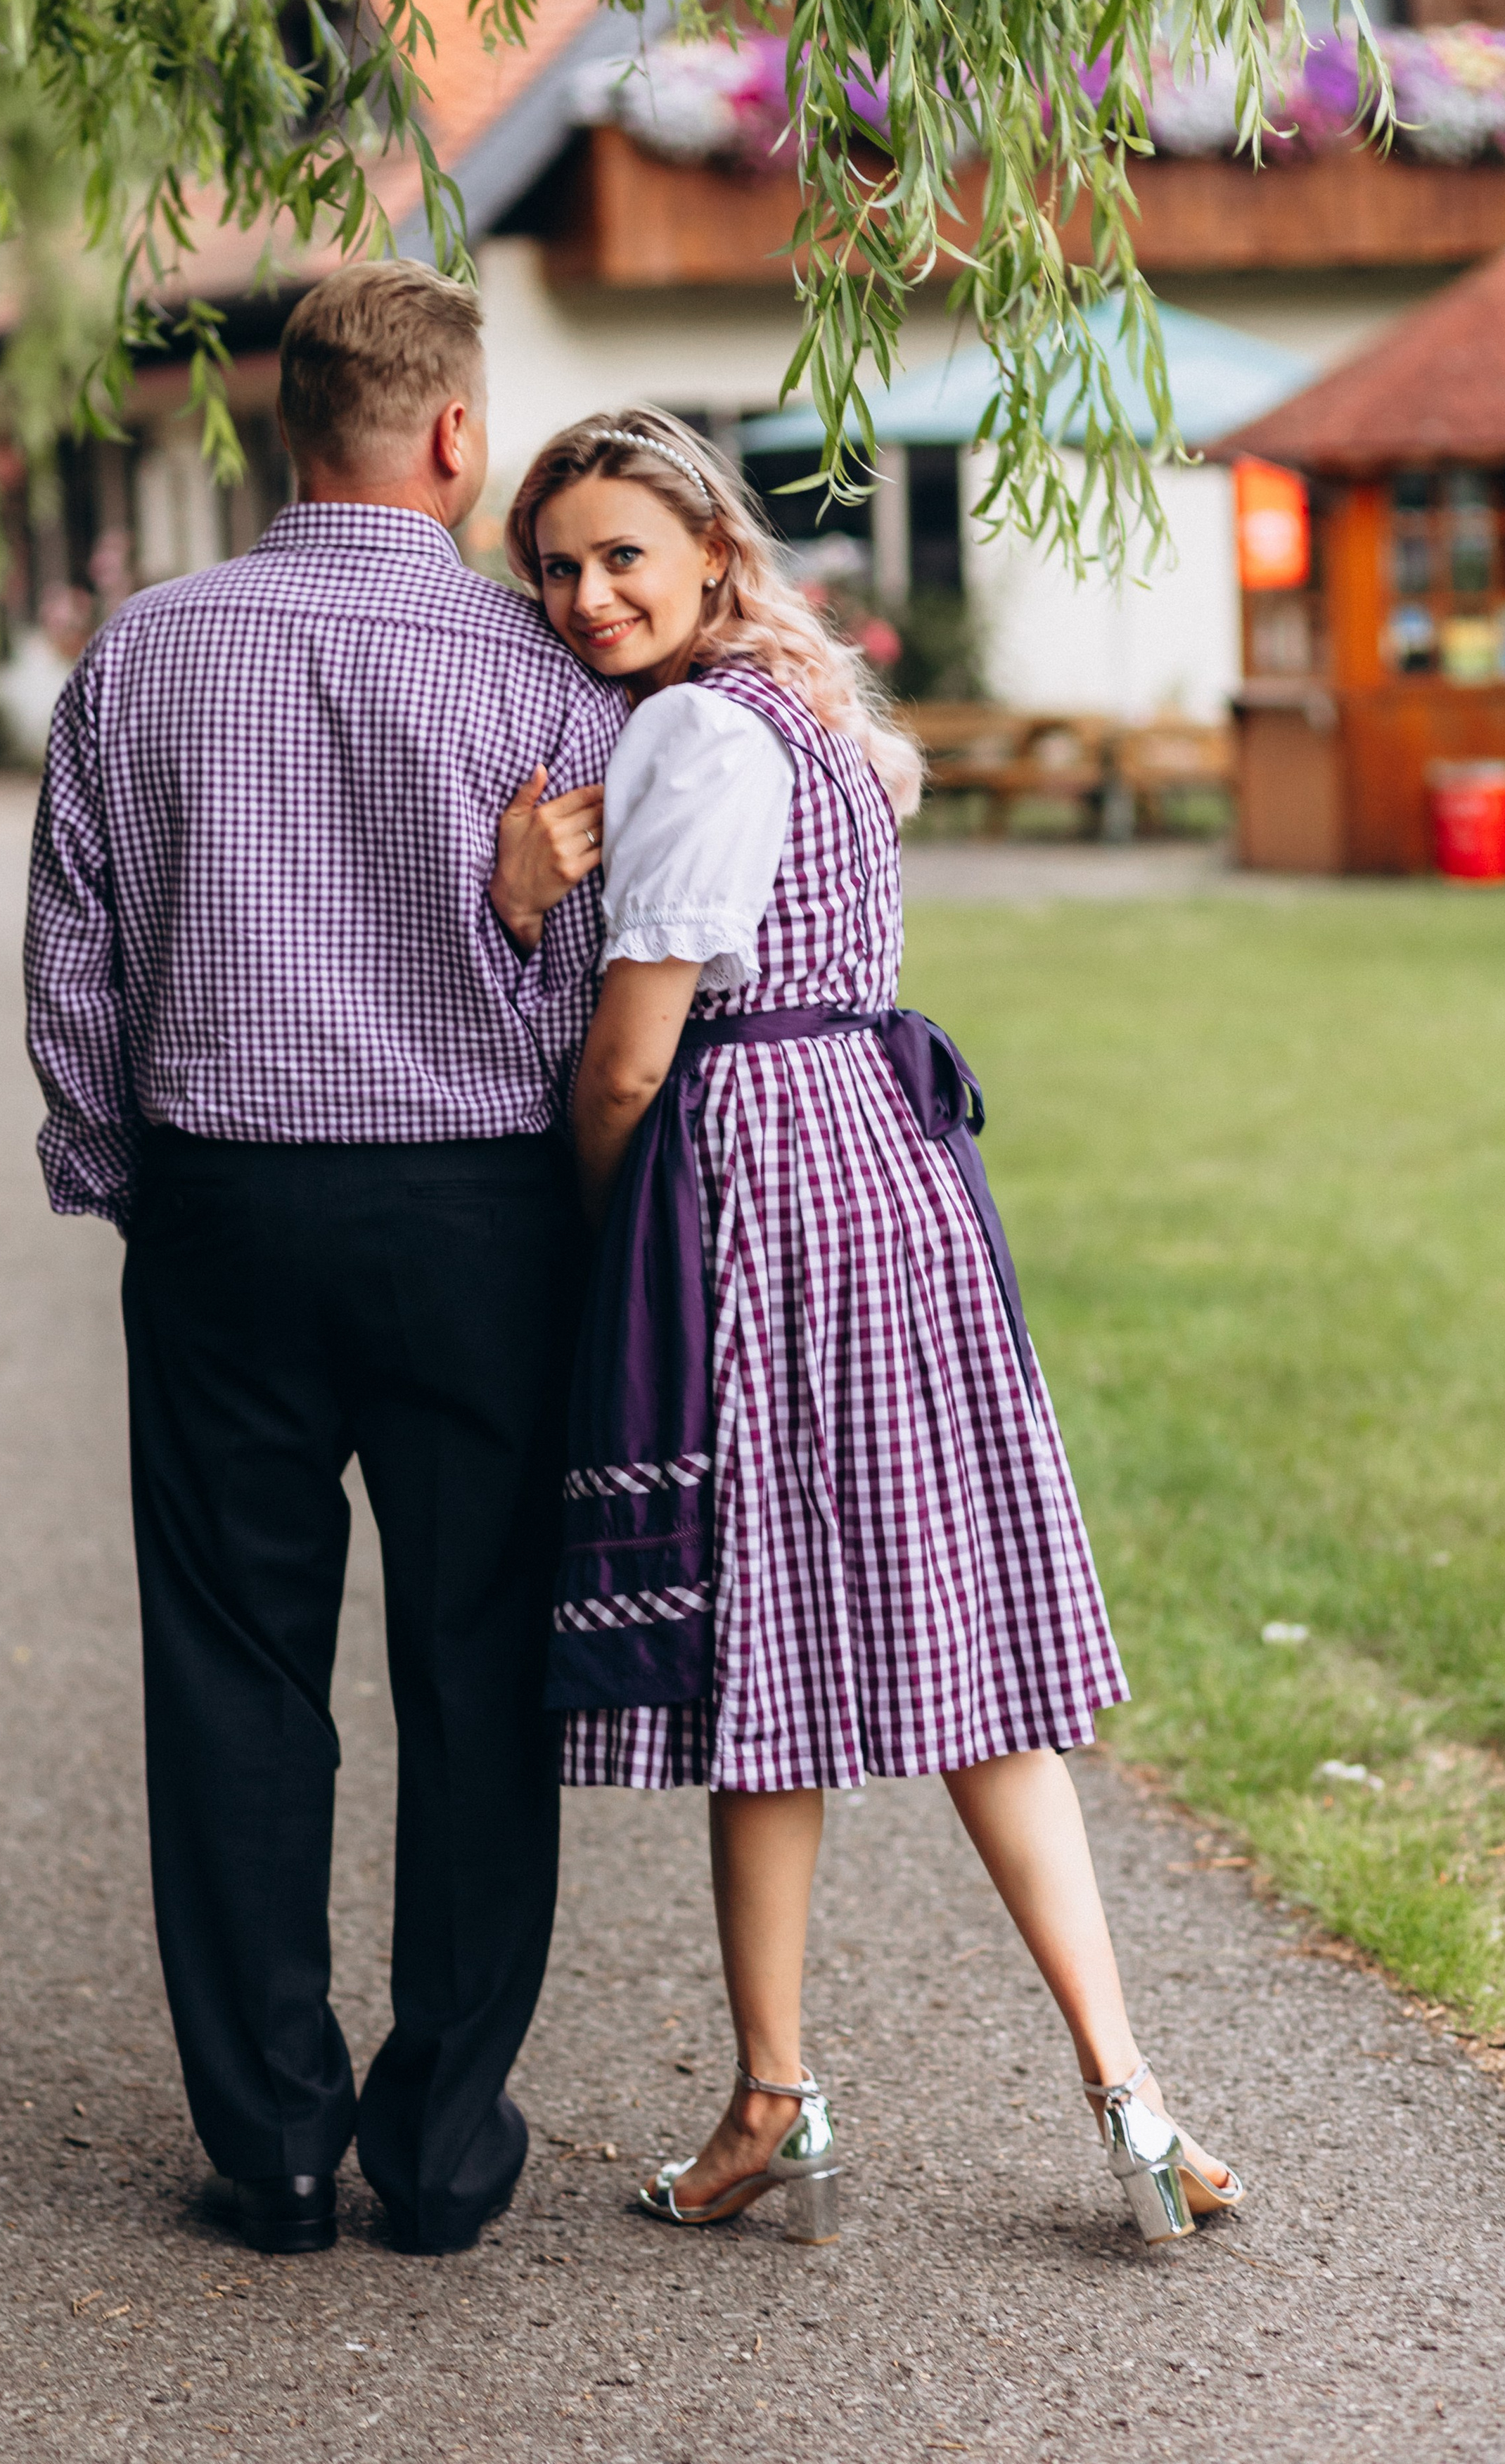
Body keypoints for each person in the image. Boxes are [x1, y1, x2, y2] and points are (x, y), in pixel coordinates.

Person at [500, 407, 1243, 2247]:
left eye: (622, 558)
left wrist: (592, 1212)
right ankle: (1126, 2097)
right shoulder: (817, 712)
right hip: (887, 1171)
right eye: (558, 567)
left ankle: (781, 2092)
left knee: (767, 1632)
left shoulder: (682, 729)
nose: (588, 597)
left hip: (753, 1166)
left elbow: (630, 1053)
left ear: (708, 556)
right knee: (951, 1632)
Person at [23, 261, 620, 2258]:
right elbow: (598, 993)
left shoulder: (140, 656)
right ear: (457, 437)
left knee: (234, 1674)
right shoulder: (547, 682)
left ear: (290, 432)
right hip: (477, 1225)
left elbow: (73, 972)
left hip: (224, 1211)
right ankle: (442, 2152)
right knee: (475, 1670)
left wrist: (140, 1186)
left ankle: (275, 2146)